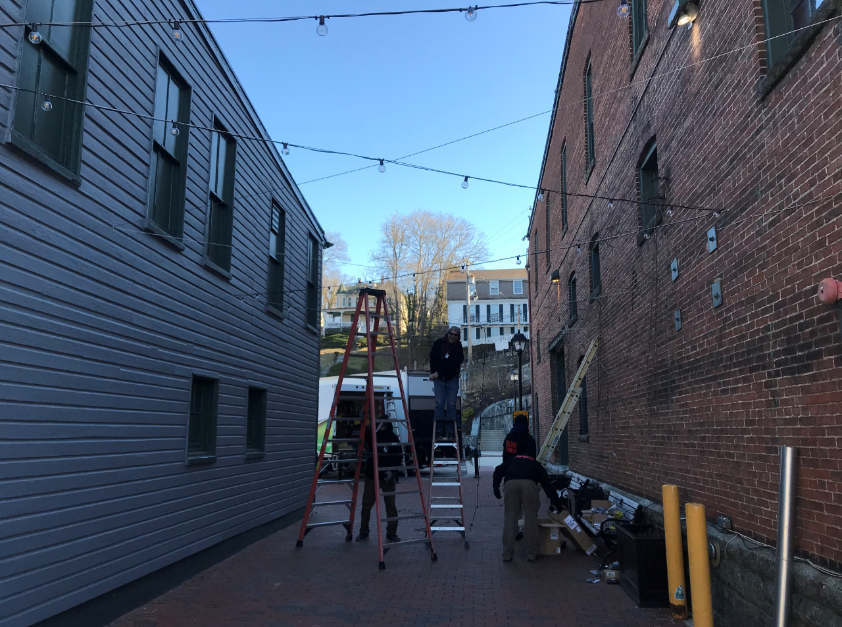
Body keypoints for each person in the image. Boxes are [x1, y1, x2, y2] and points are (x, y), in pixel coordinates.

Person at [493, 453, 564, 562]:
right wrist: (558, 505)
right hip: (529, 484)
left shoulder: (512, 460)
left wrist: (496, 488)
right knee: (531, 518)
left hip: (510, 483)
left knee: (510, 518)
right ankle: (531, 554)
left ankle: (507, 554)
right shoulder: (535, 464)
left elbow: (498, 470)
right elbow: (547, 485)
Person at [358, 417, 402, 543]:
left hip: (387, 477)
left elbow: (398, 456)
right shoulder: (373, 435)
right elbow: (363, 433)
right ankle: (363, 531)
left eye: (383, 425)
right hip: (372, 476)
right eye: (379, 425)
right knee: (366, 505)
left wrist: (391, 471)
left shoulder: (393, 438)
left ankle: (391, 533)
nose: (381, 427)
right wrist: (364, 420)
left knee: (390, 505)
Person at [429, 326, 464, 440]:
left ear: (458, 337)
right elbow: (432, 358)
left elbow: (453, 365)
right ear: (448, 333)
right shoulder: (438, 344)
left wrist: (437, 374)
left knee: (451, 405)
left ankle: (450, 432)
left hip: (452, 379)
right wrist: (434, 372)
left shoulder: (458, 348)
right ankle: (438, 431)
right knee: (439, 404)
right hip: (439, 380)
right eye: (451, 333)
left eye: (455, 335)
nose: (453, 336)